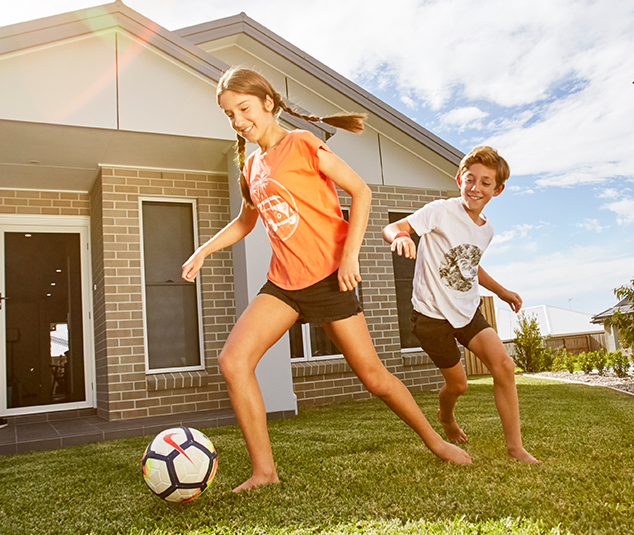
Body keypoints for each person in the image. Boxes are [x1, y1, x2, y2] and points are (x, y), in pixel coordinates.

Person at [182, 67, 472, 493]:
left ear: (268, 102)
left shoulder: (301, 144)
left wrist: (349, 256)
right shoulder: (251, 166)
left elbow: (361, 191)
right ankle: (264, 472)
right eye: (229, 114)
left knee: (374, 379)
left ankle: (436, 442)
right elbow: (246, 222)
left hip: (328, 280)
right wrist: (204, 249)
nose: (238, 120)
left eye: (243, 108)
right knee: (233, 361)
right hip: (283, 284)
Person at [381, 146, 540, 464]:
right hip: (431, 316)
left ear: (498, 189)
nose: (476, 188)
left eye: (485, 183)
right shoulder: (440, 211)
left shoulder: (487, 229)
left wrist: (502, 291)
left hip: (467, 311)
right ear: (459, 179)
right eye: (470, 180)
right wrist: (399, 237)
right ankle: (446, 416)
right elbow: (395, 228)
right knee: (458, 384)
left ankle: (515, 448)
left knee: (505, 366)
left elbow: (470, 265)